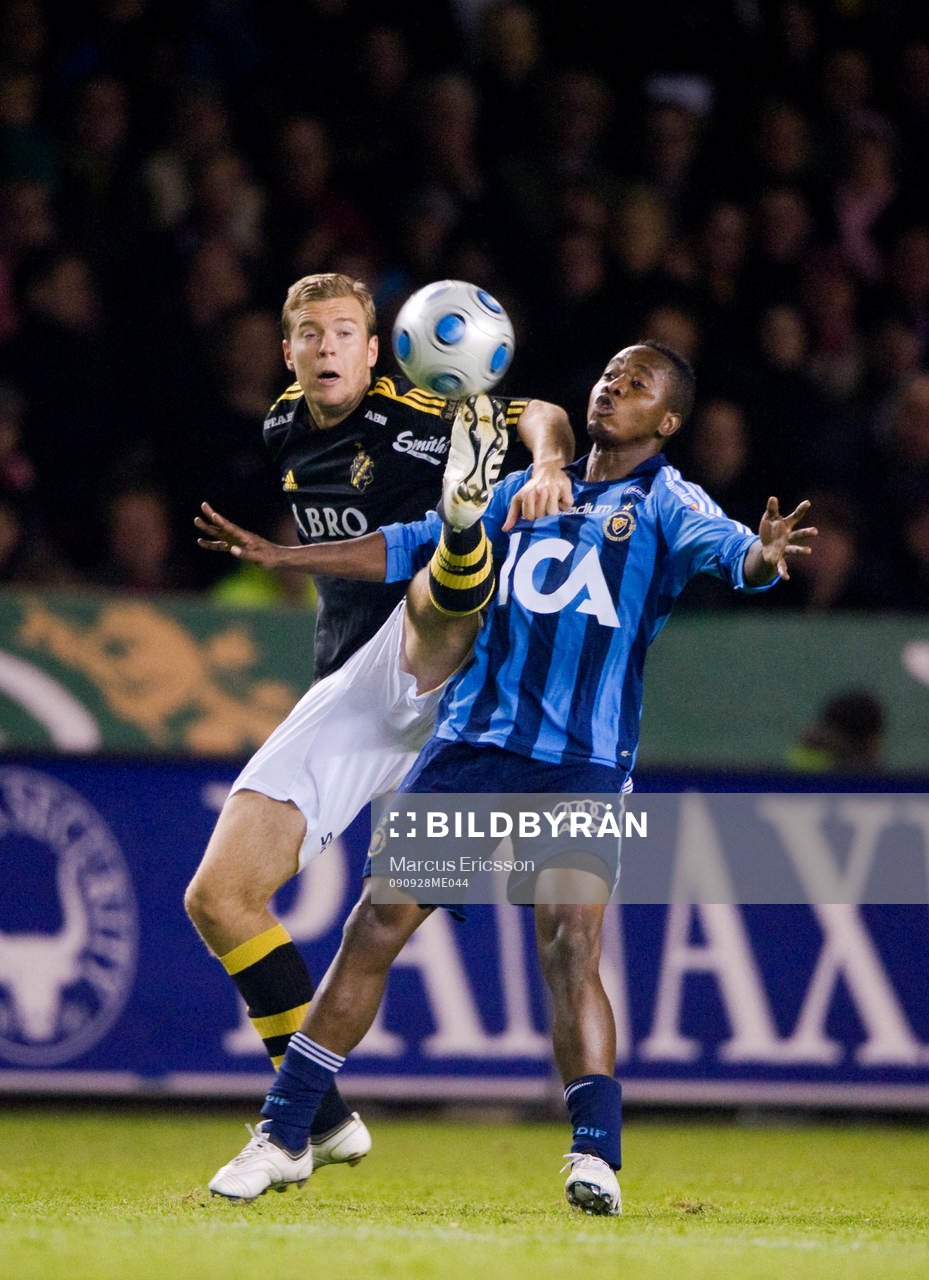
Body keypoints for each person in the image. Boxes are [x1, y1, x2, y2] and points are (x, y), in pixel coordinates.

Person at [196, 339, 816, 1214]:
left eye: (635, 385)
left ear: (666, 421)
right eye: (606, 375)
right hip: (471, 750)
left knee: (570, 945)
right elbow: (408, 545)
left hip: (581, 765)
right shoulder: (517, 489)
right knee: (373, 932)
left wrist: (763, 555)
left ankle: (594, 1153)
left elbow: (732, 556)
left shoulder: (667, 500)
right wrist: (283, 556)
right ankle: (286, 1133)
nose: (611, 388)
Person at [184, 271, 574, 1174]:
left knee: (437, 585)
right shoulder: (283, 425)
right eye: (309, 335)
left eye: (344, 333)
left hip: (450, 667)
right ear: (288, 354)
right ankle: (319, 1119)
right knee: (218, 897)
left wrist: (549, 462)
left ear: (376, 350)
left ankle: (463, 533)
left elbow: (542, 410)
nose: (326, 348)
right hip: (355, 689)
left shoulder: (415, 415)